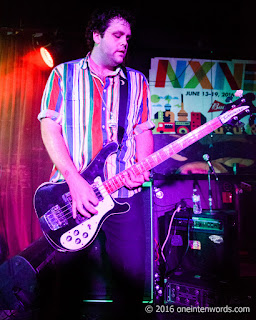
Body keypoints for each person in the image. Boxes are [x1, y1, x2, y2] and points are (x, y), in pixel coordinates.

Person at [38, 8, 154, 319]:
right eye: (117, 35)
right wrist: (74, 180)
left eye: (128, 38)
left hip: (124, 199)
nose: (124, 43)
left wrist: (142, 166)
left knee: (130, 289)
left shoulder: (138, 82)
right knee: (66, 292)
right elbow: (49, 127)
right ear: (96, 35)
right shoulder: (63, 74)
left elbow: (143, 130)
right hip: (75, 197)